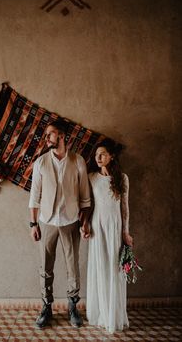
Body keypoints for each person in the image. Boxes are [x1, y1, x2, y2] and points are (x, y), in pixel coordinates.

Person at [29, 120, 91, 329]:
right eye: (46, 135)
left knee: (72, 267)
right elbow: (34, 196)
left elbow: (85, 198)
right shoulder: (40, 162)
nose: (47, 138)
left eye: (51, 134)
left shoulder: (78, 161)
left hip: (71, 222)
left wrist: (84, 223)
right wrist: (33, 224)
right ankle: (46, 307)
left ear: (62, 136)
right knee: (45, 267)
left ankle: (73, 307)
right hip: (46, 222)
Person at [86, 137, 133, 333]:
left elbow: (125, 208)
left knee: (114, 270)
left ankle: (113, 315)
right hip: (98, 227)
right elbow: (87, 205)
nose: (99, 157)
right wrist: (85, 225)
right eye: (97, 155)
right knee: (100, 267)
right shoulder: (91, 177)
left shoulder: (122, 178)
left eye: (103, 154)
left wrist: (126, 232)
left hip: (115, 228)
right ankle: (101, 313)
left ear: (111, 156)